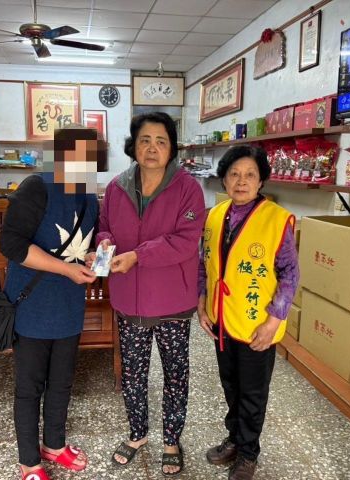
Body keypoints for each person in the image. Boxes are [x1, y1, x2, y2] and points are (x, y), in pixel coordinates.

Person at [94, 112, 205, 476]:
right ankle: (138, 434)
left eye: (161, 141)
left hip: (173, 302)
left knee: (175, 373)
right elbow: (104, 227)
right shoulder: (117, 187)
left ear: (171, 148)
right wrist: (105, 245)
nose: (152, 148)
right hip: (130, 300)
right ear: (134, 146)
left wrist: (138, 255)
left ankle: (171, 441)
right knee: (132, 374)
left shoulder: (188, 188)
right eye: (145, 140)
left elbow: (185, 241)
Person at [0, 126, 106, 480]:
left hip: (70, 306)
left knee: (62, 381)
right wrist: (66, 269)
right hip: (33, 305)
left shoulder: (89, 196)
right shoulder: (36, 187)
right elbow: (11, 244)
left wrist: (91, 256)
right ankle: (29, 462)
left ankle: (54, 445)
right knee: (30, 387)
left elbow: (88, 242)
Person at [197, 145, 299, 480]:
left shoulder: (276, 220)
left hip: (257, 325)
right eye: (234, 174)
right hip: (222, 321)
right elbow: (204, 264)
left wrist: (274, 321)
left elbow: (290, 275)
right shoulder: (215, 215)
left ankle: (249, 453)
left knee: (253, 393)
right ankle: (235, 438)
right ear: (224, 180)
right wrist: (202, 302)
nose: (241, 181)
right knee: (231, 386)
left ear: (261, 181)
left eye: (250, 175)